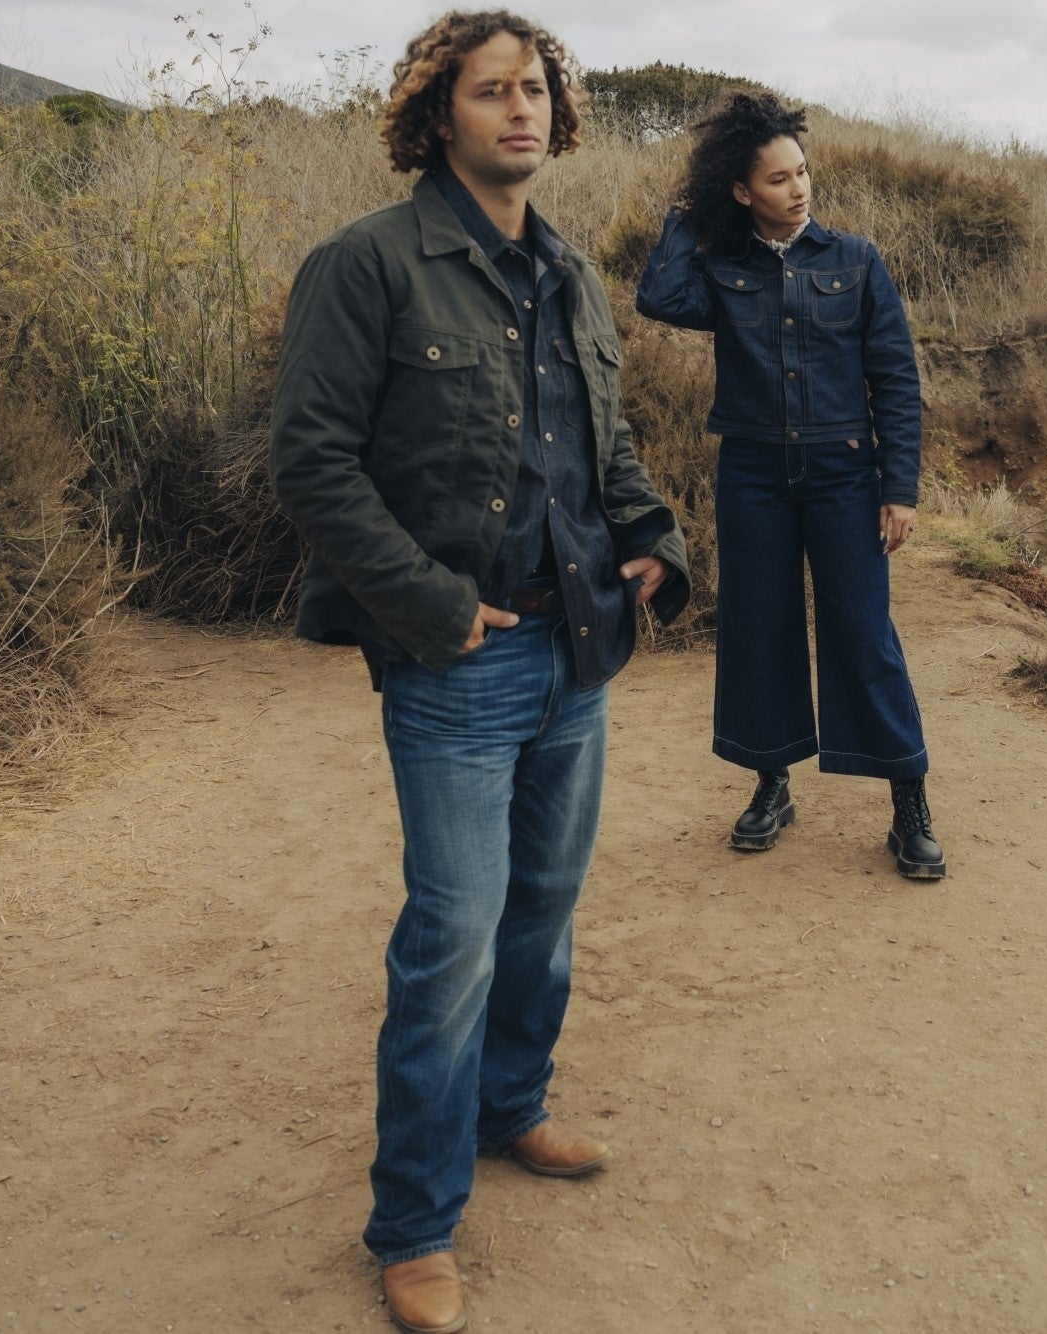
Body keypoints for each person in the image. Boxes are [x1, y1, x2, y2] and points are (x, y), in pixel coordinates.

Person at [268, 11, 689, 1331]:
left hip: (580, 650)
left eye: (538, 90)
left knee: (543, 911)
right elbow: (314, 463)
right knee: (449, 936)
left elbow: (599, 448)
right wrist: (429, 605)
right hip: (459, 658)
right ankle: (413, 1221)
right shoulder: (367, 265)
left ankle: (513, 1106)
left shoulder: (567, 273)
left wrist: (652, 543)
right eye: (492, 90)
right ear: (435, 113)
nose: (521, 110)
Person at [635, 92, 946, 880]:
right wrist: (688, 212)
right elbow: (658, 297)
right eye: (776, 180)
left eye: (801, 172)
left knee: (862, 631)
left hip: (844, 474)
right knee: (757, 628)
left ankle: (908, 802)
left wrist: (897, 488)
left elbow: (895, 381)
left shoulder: (855, 260)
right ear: (742, 192)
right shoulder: (721, 265)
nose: (798, 189)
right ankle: (771, 784)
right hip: (752, 475)